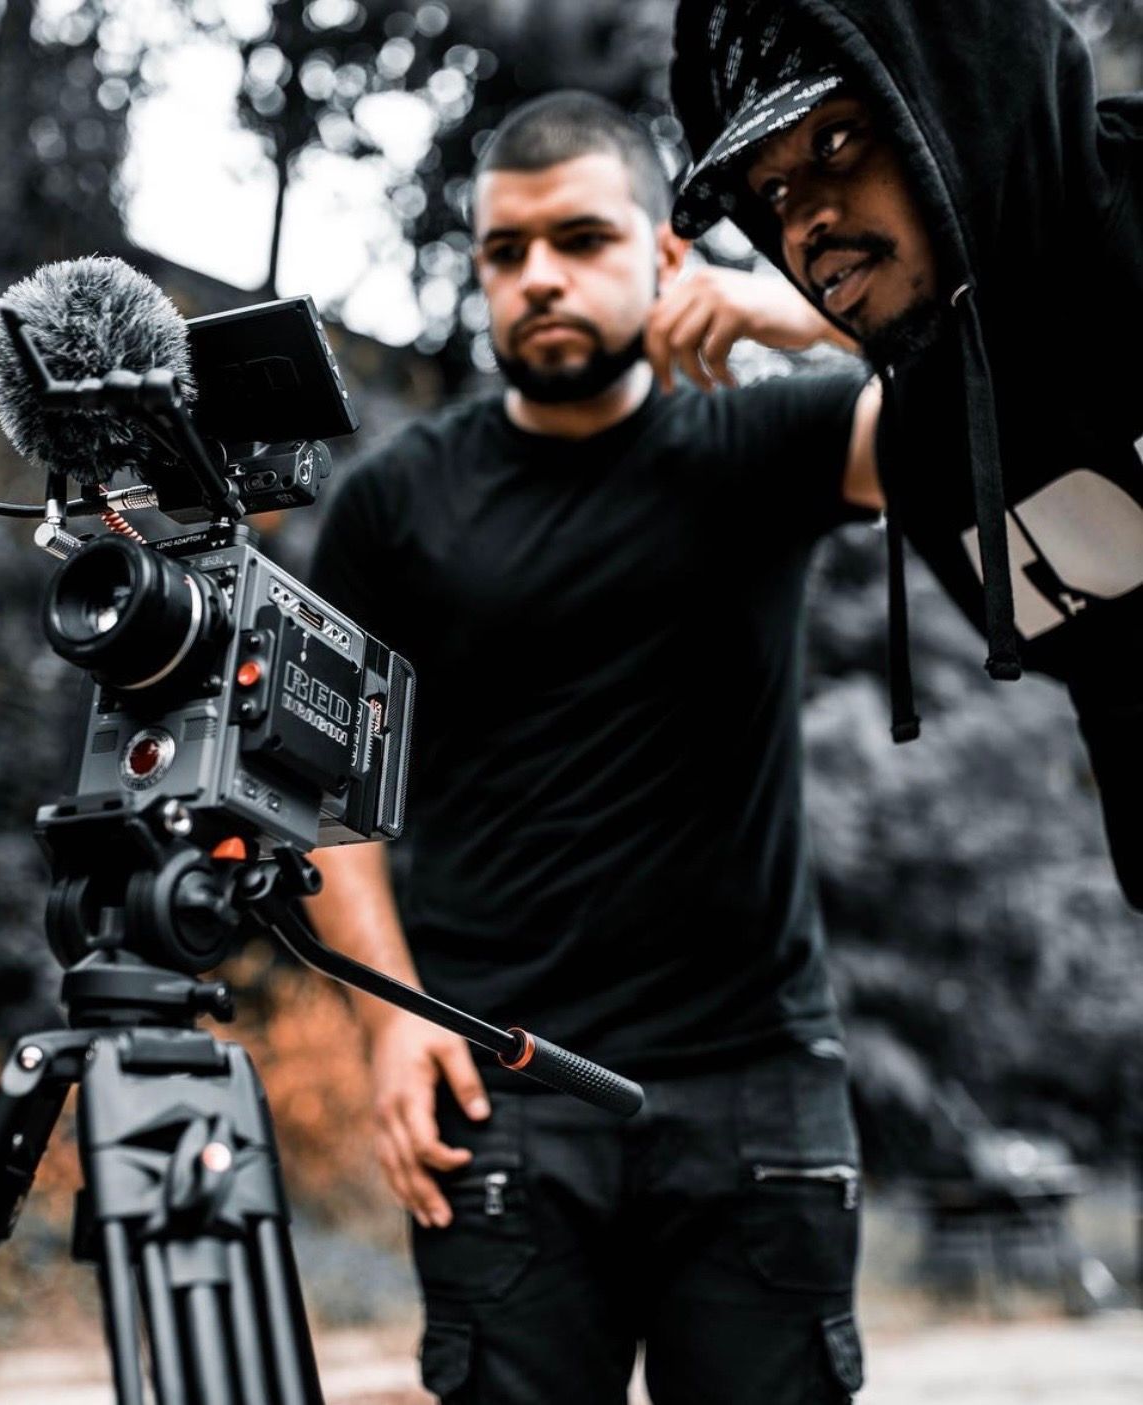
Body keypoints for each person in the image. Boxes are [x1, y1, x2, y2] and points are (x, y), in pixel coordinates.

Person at [298, 89, 880, 1404]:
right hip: (499, 1087)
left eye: (578, 239)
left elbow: (994, 406)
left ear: (666, 253)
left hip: (756, 1086)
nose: (538, 277)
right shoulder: (395, 503)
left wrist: (792, 307)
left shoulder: (765, 440)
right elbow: (322, 786)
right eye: (505, 253)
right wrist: (388, 1020)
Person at [668, 0, 1143, 907]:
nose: (802, 224)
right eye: (770, 194)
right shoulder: (928, 453)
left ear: (956, 92)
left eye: (837, 142)